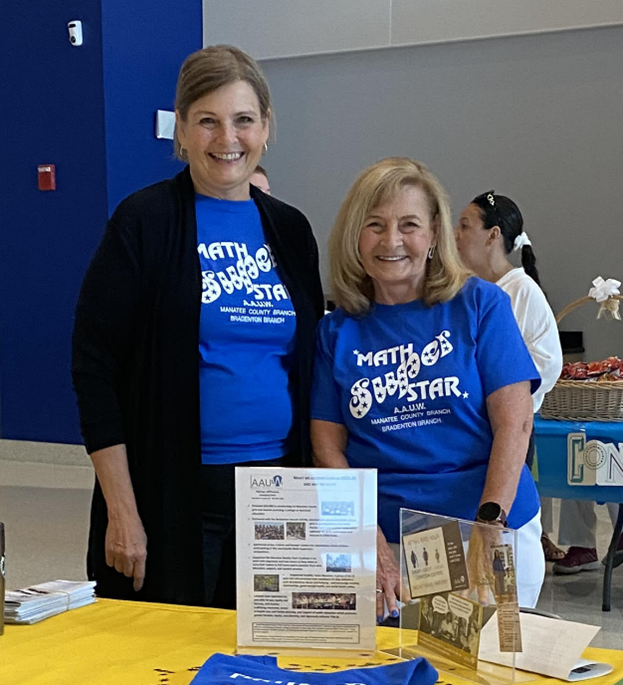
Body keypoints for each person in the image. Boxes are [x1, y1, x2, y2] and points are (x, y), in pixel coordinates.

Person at [72, 45, 324, 607]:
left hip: (279, 488)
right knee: (169, 644)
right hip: (173, 488)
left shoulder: (290, 230)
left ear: (266, 128)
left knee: (267, 646)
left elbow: (312, 360)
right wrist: (121, 511)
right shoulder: (143, 222)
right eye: (207, 121)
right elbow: (94, 369)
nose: (227, 138)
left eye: (243, 120)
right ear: (181, 130)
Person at [311, 157, 544, 615]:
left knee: (492, 657)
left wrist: (488, 526)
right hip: (387, 541)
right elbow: (327, 450)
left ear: (435, 233)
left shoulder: (481, 304)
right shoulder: (336, 331)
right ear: (355, 235)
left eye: (409, 225)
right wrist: (368, 539)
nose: (391, 240)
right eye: (374, 225)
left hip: (487, 525)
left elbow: (515, 424)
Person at [454, 191, 564, 561]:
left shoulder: (520, 290)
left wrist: (504, 397)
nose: (455, 234)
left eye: (465, 226)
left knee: (498, 528)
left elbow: (547, 363)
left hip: (506, 427)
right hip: (472, 429)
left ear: (493, 235)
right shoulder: (467, 291)